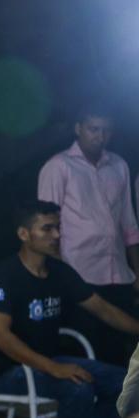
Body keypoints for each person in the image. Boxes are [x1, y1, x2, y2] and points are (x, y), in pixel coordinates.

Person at [0, 200, 137, 418]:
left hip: (51, 361)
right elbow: (0, 336)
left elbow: (103, 310)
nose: (56, 235)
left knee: (126, 385)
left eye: (58, 228)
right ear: (24, 234)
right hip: (10, 370)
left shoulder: (59, 272)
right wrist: (54, 368)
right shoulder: (5, 276)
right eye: (47, 228)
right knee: (78, 388)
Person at [37, 106, 139, 366]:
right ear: (78, 129)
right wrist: (59, 275)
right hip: (79, 273)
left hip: (118, 273)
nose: (100, 136)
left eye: (106, 130)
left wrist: (137, 271)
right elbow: (45, 225)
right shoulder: (59, 166)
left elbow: (128, 223)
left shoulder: (119, 165)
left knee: (122, 352)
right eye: (94, 129)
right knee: (87, 351)